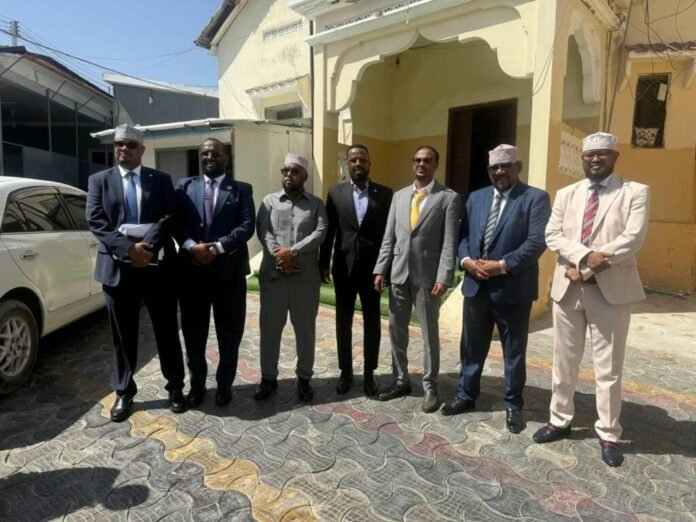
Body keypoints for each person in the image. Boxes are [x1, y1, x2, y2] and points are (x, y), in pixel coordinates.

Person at [533, 132, 650, 467]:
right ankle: (560, 419)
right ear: (582, 158)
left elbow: (633, 238)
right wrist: (585, 258)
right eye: (589, 154)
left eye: (602, 154)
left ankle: (609, 433)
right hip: (568, 289)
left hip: (611, 291)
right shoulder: (567, 194)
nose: (595, 159)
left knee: (608, 367)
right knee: (564, 361)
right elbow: (552, 234)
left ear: (615, 156)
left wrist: (584, 269)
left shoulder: (635, 192)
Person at [441, 145, 551, 434]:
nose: (499, 172)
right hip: (476, 287)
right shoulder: (476, 198)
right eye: (494, 168)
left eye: (505, 166)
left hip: (513, 290)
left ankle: (513, 404)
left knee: (513, 352)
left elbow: (536, 242)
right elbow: (463, 236)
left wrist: (501, 266)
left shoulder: (535, 198)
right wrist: (466, 261)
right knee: (470, 347)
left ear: (518, 167)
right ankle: (466, 394)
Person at [86, 124, 186, 422]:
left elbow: (170, 215)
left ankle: (175, 387)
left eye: (130, 145)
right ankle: (124, 391)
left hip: (157, 269)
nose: (123, 149)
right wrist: (129, 249)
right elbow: (96, 220)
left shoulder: (161, 180)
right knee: (122, 335)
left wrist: (148, 247)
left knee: (167, 331)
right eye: (119, 144)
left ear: (142, 150)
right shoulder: (99, 180)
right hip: (117, 270)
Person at [373, 145, 461, 413]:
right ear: (413, 164)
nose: (422, 164)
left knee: (429, 334)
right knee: (396, 331)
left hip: (428, 278)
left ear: (436, 165)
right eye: (418, 160)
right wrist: (380, 269)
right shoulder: (399, 196)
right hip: (399, 274)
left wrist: (444, 276)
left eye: (427, 160)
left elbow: (449, 242)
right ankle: (401, 380)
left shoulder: (448, 198)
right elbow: (389, 237)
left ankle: (430, 386)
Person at [174, 138, 255, 408]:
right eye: (205, 153)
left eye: (216, 153)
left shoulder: (241, 189)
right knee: (193, 334)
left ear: (226, 158)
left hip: (228, 274)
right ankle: (197, 385)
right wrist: (191, 246)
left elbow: (247, 226)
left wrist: (217, 248)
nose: (210, 157)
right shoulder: (184, 186)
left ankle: (224, 385)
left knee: (229, 333)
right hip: (192, 273)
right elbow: (176, 222)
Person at [319, 145, 393, 396]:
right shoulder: (335, 193)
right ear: (347, 164)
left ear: (369, 163)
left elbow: (389, 234)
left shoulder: (385, 194)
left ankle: (370, 374)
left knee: (372, 322)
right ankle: (346, 372)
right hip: (344, 268)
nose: (358, 164)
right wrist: (323, 263)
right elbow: (330, 231)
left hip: (374, 271)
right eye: (353, 160)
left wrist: (386, 268)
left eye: (362, 160)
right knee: (343, 322)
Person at [255, 153, 328, 402]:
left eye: (295, 171)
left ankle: (304, 379)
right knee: (269, 329)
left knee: (305, 331)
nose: (289, 175)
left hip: (304, 280)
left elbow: (320, 231)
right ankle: (268, 378)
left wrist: (293, 252)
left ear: (305, 176)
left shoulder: (316, 204)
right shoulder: (269, 201)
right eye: (285, 170)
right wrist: (280, 255)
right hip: (274, 278)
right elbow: (263, 230)